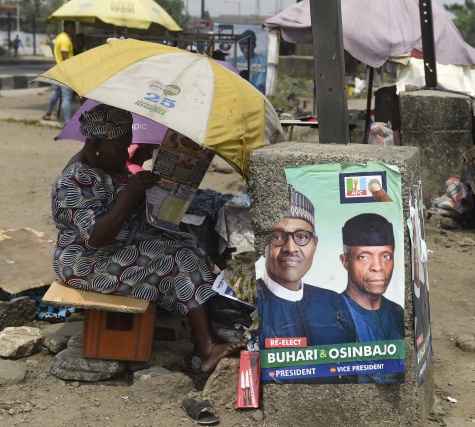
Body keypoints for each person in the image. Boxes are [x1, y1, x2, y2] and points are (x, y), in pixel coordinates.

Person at [51, 104, 245, 373]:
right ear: (96, 144)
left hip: (115, 249)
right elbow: (96, 237)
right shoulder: (74, 181)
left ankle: (199, 332)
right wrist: (131, 192)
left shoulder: (108, 167)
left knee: (187, 243)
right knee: (178, 259)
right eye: (121, 147)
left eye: (128, 146)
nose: (125, 154)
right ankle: (207, 346)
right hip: (87, 263)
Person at [256, 185, 356, 348]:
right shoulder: (251, 302)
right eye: (278, 236)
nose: (290, 248)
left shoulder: (333, 302)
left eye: (302, 236)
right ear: (263, 245)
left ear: (314, 244)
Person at [339, 213, 404, 383]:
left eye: (386, 256)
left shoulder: (397, 313)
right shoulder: (333, 315)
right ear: (345, 262)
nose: (377, 267)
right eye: (364, 257)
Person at [43, 21, 77, 124]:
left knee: (57, 92)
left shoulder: (59, 37)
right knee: (67, 97)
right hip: (66, 72)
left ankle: (48, 114)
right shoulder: (65, 40)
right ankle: (67, 122)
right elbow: (65, 56)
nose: (73, 30)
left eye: (74, 28)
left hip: (59, 70)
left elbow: (55, 52)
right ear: (65, 27)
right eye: (71, 27)